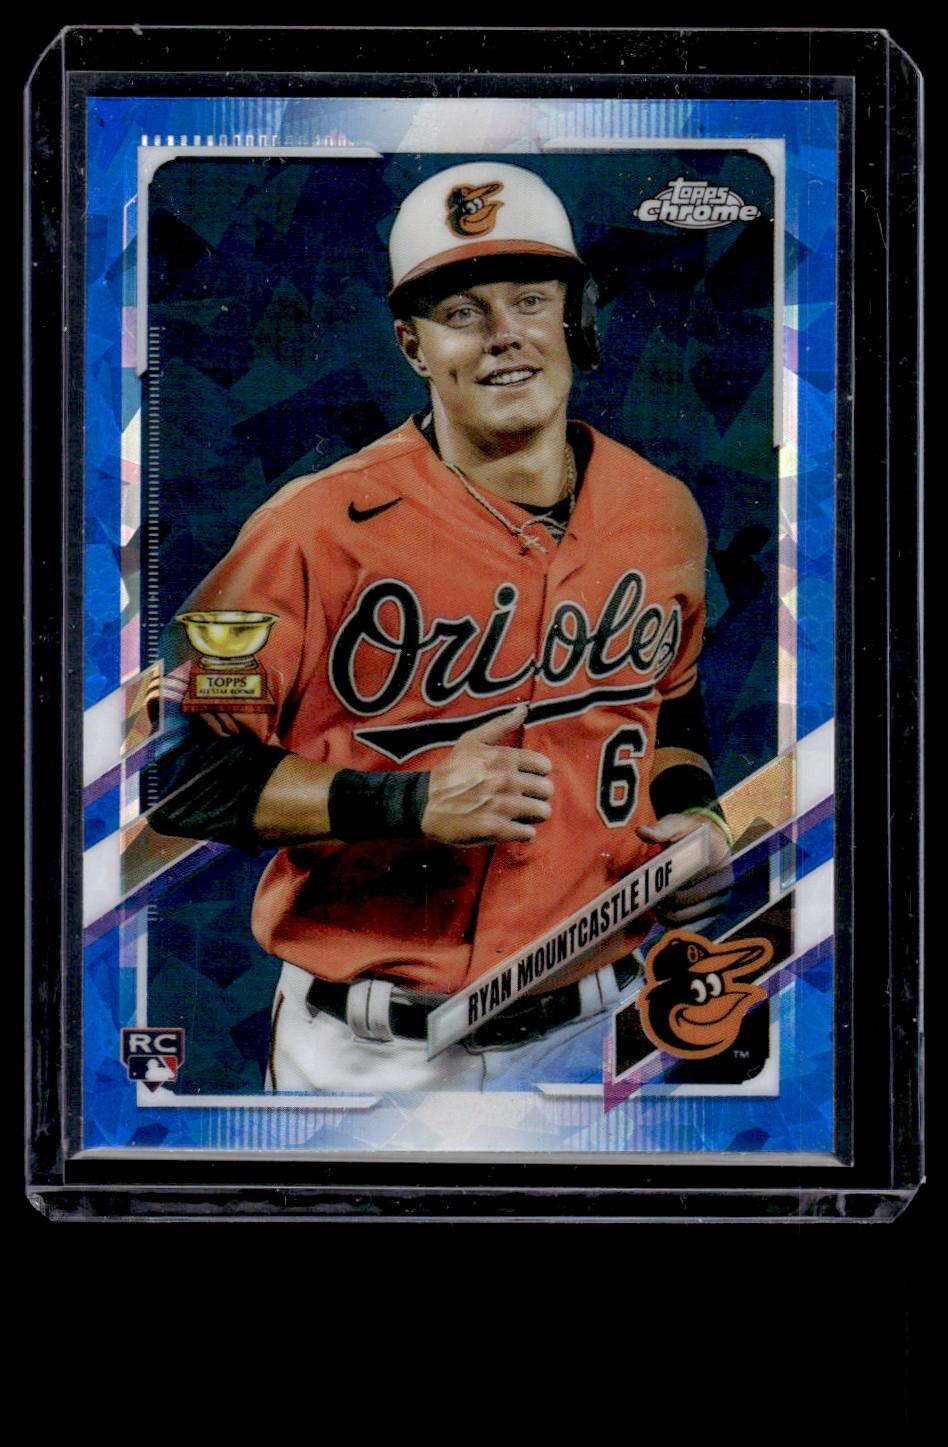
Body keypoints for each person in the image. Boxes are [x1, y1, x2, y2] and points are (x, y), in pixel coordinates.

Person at [149, 160, 732, 1092]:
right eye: (463, 311)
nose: (505, 336)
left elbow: (672, 702)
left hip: (602, 1027)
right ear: (413, 345)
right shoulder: (308, 529)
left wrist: (697, 814)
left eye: (531, 300)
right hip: (367, 1050)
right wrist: (406, 804)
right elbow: (180, 771)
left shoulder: (661, 511)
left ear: (576, 319)